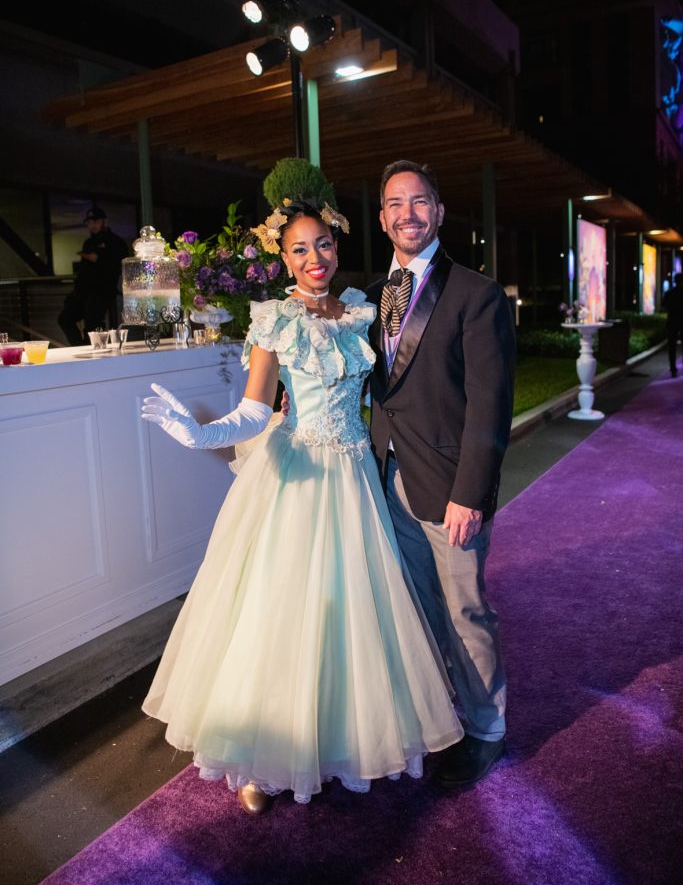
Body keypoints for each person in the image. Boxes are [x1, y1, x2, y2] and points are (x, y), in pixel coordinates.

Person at [140, 198, 463, 815]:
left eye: (323, 245)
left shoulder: (365, 312)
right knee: (280, 610)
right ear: (282, 257)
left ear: (338, 247)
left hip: (354, 477)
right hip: (295, 477)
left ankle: (339, 740)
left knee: (352, 615)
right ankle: (263, 756)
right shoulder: (273, 320)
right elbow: (255, 411)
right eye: (299, 248)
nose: (314, 258)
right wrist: (197, 433)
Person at [366, 160, 516, 788]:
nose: (408, 214)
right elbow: (377, 383)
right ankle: (442, 720)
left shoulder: (476, 294)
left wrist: (471, 495)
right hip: (387, 478)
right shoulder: (371, 295)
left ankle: (486, 729)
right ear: (381, 218)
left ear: (440, 212)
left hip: (450, 489)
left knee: (466, 611)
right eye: (396, 204)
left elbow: (491, 404)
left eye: (420, 201)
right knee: (419, 610)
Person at [58, 206, 128, 345]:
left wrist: (99, 258)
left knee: (92, 323)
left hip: (103, 291)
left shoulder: (116, 242)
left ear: (104, 221)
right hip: (84, 292)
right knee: (64, 318)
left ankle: (91, 349)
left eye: (95, 221)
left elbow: (119, 266)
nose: (92, 225)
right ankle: (79, 347)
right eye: (89, 223)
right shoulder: (89, 243)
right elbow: (84, 271)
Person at [662, 272, 683, 377]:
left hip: (672, 321)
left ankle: (673, 368)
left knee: (672, 346)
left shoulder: (669, 293)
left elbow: (664, 307)